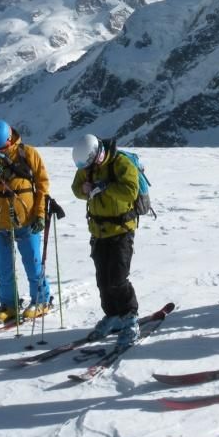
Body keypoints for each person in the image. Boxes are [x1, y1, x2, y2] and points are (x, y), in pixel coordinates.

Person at [0, 119, 51, 323]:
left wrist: (40, 214)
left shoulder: (28, 153)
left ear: (9, 137)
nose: (1, 150)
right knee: (4, 267)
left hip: (27, 219)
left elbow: (42, 186)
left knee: (33, 263)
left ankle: (41, 300)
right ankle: (9, 304)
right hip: (0, 223)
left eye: (3, 146)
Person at [71, 134, 141, 347]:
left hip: (121, 231)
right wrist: (84, 190)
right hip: (99, 232)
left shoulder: (120, 163)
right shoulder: (87, 166)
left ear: (96, 154)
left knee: (118, 278)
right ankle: (112, 316)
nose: (85, 170)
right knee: (103, 280)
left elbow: (131, 191)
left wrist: (106, 187)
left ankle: (130, 319)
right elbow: (76, 188)